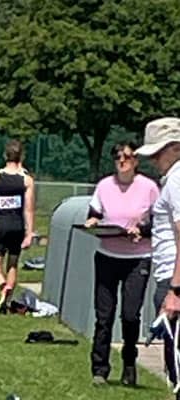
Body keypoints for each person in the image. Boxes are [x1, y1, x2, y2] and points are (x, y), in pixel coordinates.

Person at [83, 141, 158, 386]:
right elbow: (94, 212)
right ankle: (99, 369)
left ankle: (129, 363)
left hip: (137, 258)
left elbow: (159, 222)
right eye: (118, 157)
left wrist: (142, 229)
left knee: (129, 315)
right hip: (108, 255)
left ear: (136, 161)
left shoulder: (148, 187)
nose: (122, 161)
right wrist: (93, 221)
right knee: (104, 316)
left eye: (127, 157)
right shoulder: (105, 186)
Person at [134, 117, 180, 398]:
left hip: (174, 283)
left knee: (177, 366)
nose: (152, 160)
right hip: (171, 277)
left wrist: (175, 290)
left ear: (176, 147)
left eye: (157, 152)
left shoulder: (177, 180)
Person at [0, 139, 35, 314]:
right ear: (22, 156)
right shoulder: (26, 180)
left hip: (1, 226)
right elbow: (29, 209)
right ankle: (7, 299)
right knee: (12, 264)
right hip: (17, 226)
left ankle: (3, 285)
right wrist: (29, 233)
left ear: (5, 155)